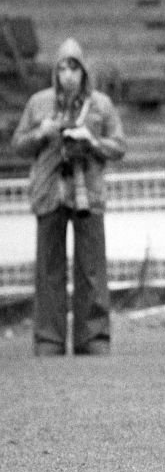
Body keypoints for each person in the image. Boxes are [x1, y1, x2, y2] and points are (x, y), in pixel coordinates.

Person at [11, 38, 126, 356]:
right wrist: (42, 133)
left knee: (91, 269)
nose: (68, 75)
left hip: (88, 193)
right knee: (49, 269)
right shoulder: (38, 103)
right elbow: (18, 144)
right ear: (55, 72)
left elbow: (119, 145)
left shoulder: (101, 104)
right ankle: (49, 340)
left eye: (74, 67)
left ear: (83, 71)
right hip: (49, 192)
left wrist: (91, 140)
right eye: (62, 67)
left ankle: (94, 338)